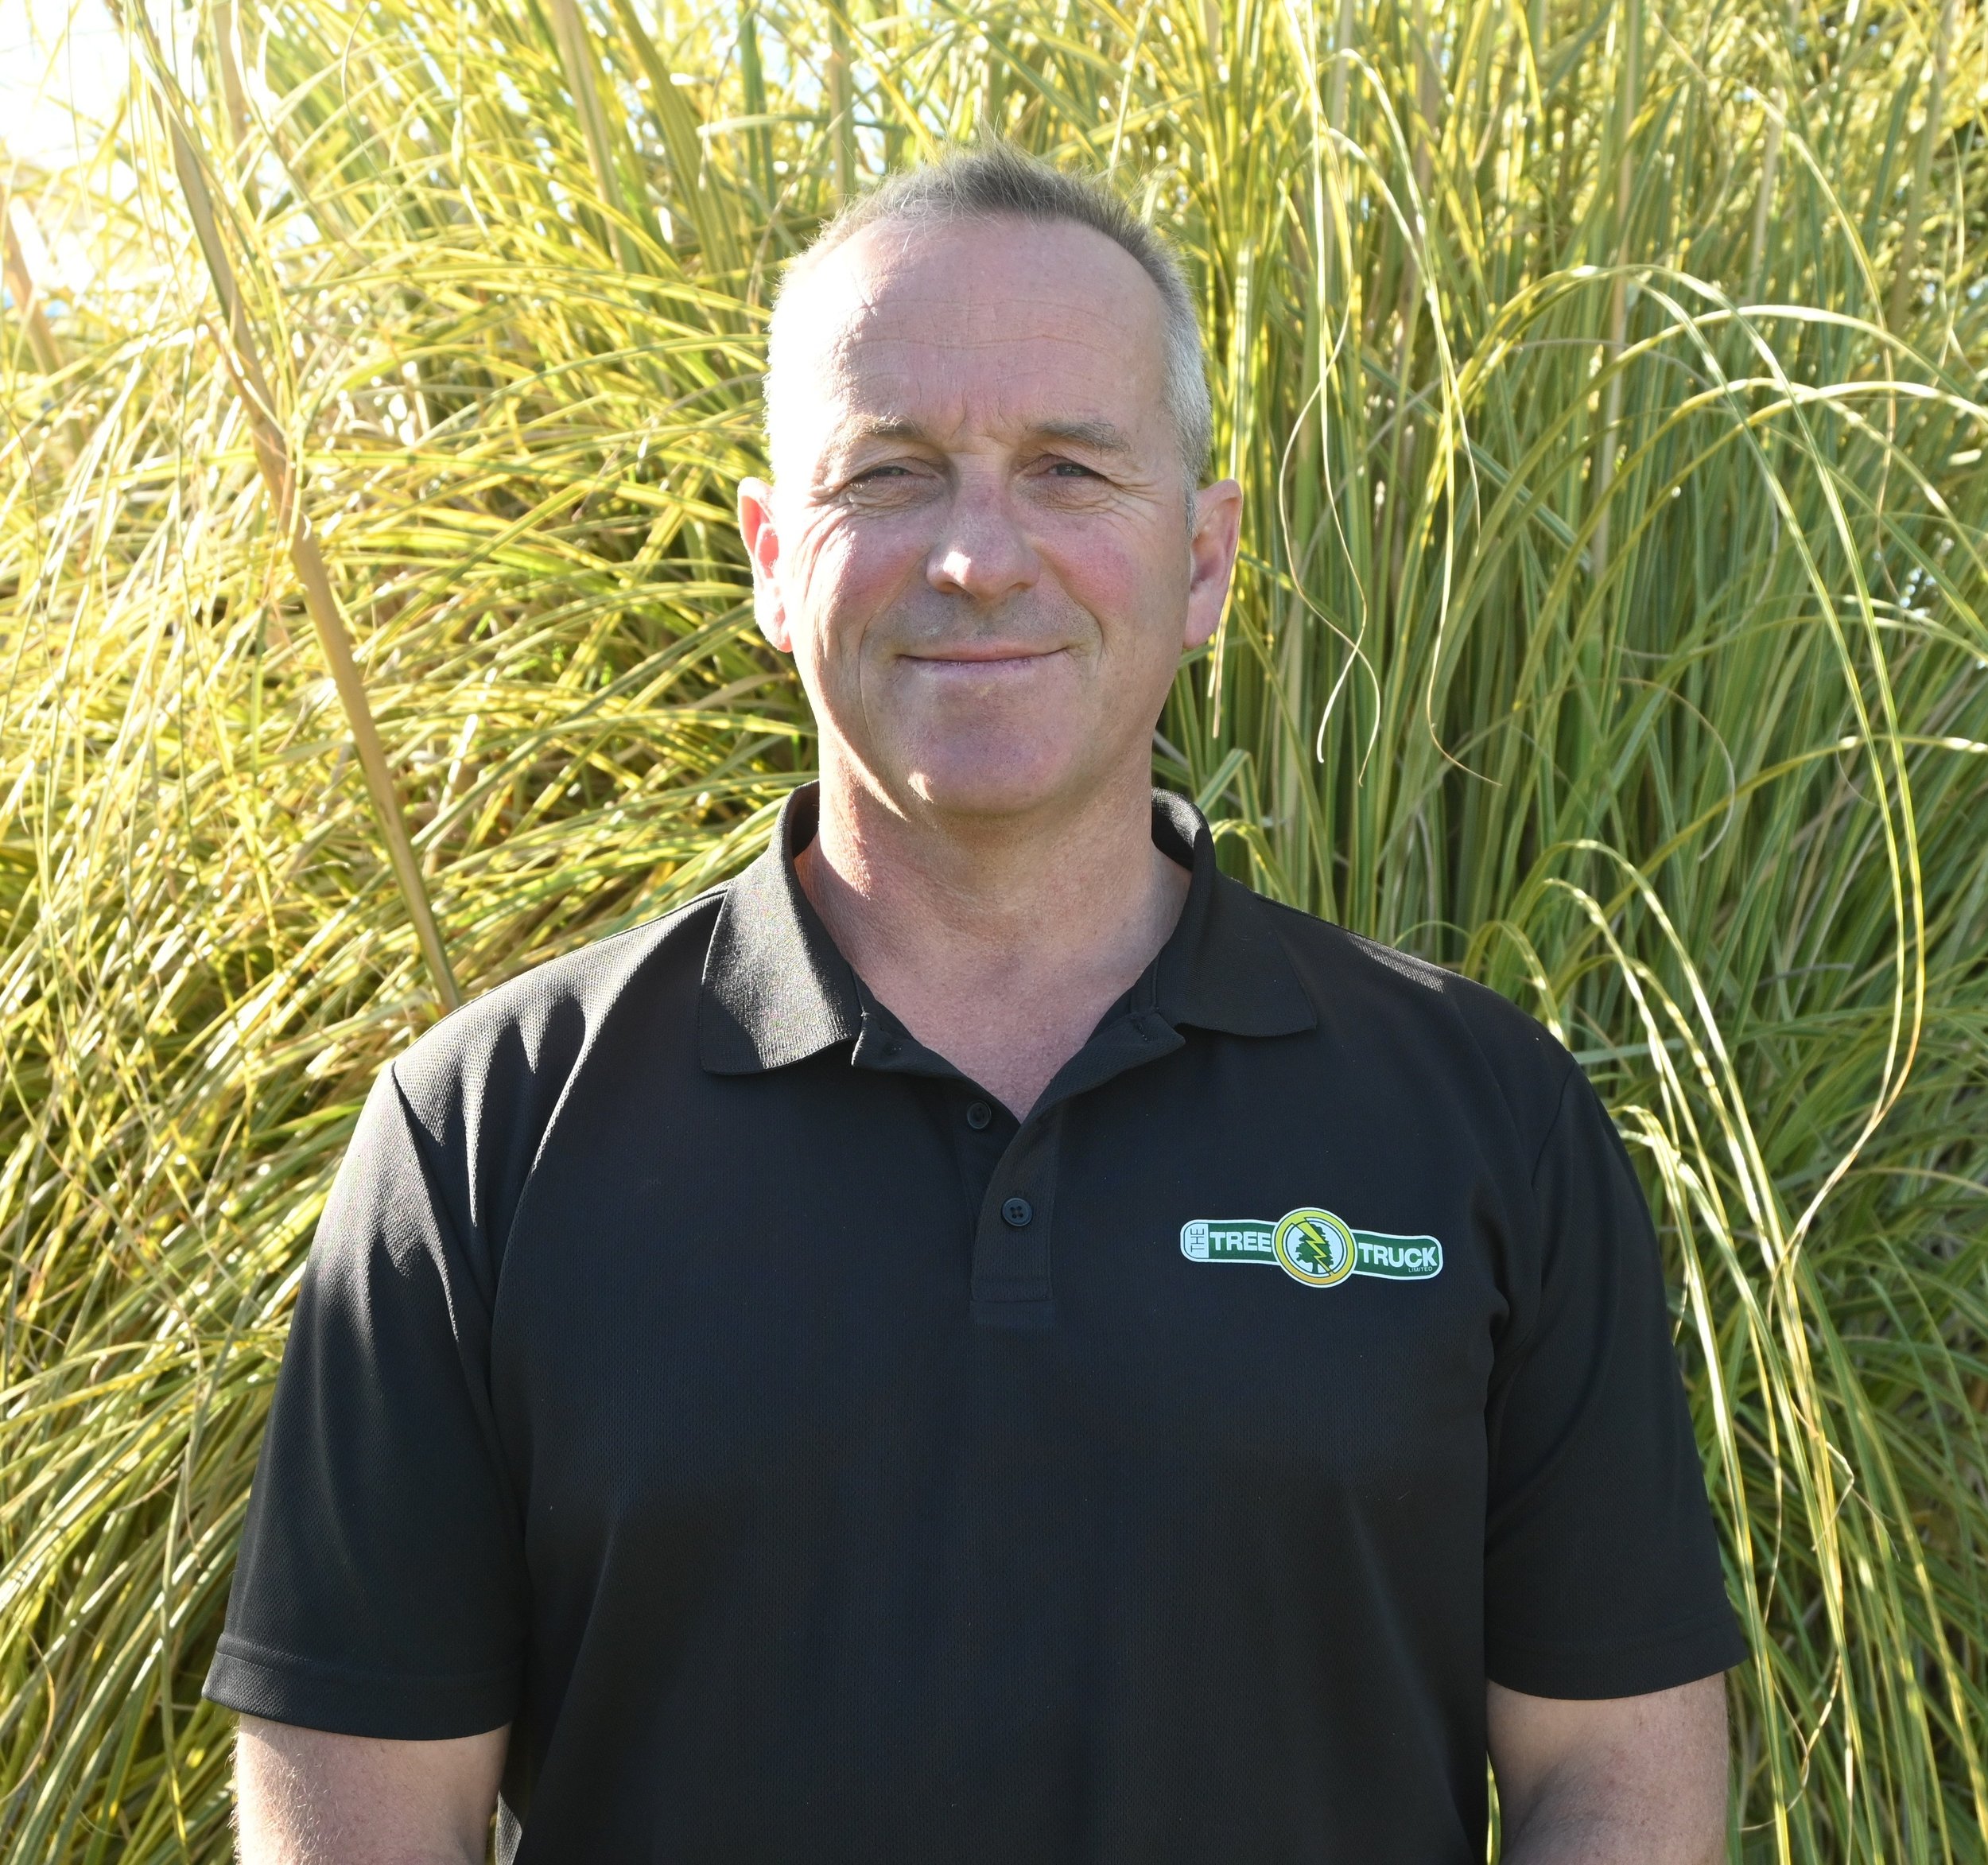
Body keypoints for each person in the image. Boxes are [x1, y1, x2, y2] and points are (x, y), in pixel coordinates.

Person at [206, 144, 1744, 1863]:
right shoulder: (482, 1133)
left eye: (1068, 469)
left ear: (1205, 560)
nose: (976, 556)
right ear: (772, 557)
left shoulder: (1481, 1116)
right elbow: (360, 1818)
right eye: (893, 474)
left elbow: (1618, 1762)